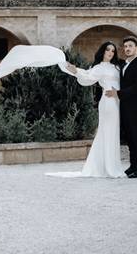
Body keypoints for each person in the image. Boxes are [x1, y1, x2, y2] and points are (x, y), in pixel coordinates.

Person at [52, 41, 125, 178]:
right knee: (106, 132)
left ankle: (111, 165)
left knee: (113, 133)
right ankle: (107, 168)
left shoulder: (116, 67)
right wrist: (76, 71)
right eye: (107, 50)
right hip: (108, 102)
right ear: (102, 51)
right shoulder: (98, 67)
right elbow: (88, 76)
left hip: (117, 101)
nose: (110, 53)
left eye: (113, 51)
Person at [119, 35, 137, 178]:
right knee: (130, 137)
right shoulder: (123, 65)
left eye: (130, 46)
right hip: (124, 107)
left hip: (135, 107)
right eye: (125, 46)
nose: (127, 49)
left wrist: (119, 93)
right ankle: (133, 165)